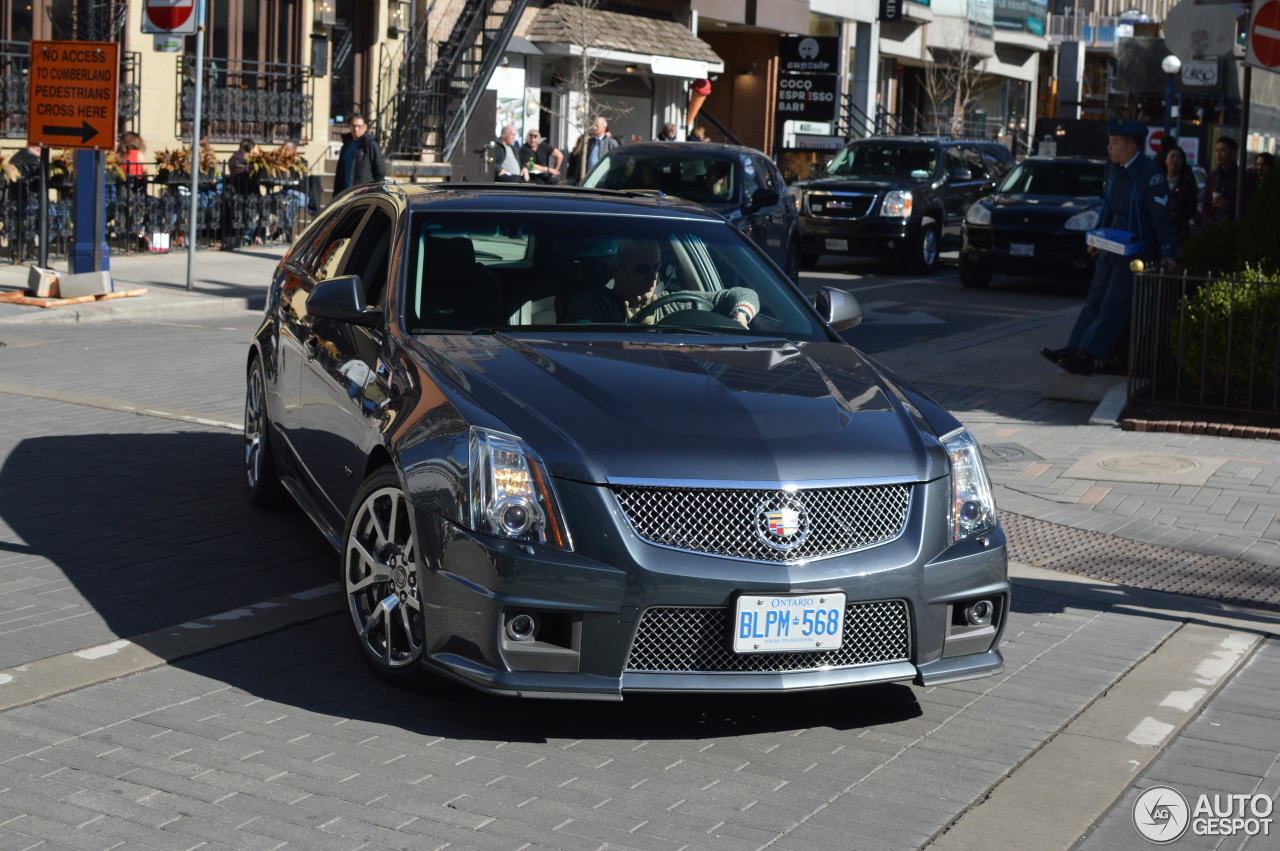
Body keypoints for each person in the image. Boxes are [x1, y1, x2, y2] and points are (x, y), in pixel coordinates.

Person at [1040, 119, 1178, 376]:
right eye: (1110, 142)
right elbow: (1108, 208)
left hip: (1136, 248)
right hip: (1111, 243)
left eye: (1115, 143)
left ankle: (1089, 355)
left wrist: (1168, 252)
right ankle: (1073, 348)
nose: (1109, 148)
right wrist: (1095, 239)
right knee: (1094, 300)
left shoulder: (1150, 174)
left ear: (1132, 146)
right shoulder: (1113, 170)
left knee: (1113, 304)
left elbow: (1160, 218)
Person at [564, 238, 759, 328]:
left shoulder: (675, 303)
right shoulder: (592, 305)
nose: (652, 277)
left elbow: (744, 294)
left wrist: (739, 317)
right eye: (642, 269)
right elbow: (580, 336)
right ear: (617, 270)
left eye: (656, 267)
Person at [1202, 137, 1256, 225]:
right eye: (1217, 150)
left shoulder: (1244, 176)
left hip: (1234, 224)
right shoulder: (1213, 175)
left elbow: (1249, 204)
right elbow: (1206, 202)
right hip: (1213, 224)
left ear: (1233, 153)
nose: (1219, 154)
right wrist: (1207, 218)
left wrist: (1228, 205)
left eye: (1223, 150)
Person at [333, 114, 386, 195]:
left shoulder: (371, 145)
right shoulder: (346, 145)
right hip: (345, 194)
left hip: (363, 196)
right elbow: (339, 173)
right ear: (349, 127)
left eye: (359, 126)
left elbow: (380, 173)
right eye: (353, 126)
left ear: (365, 127)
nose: (356, 129)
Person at [1160, 146, 1197, 246]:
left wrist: (1177, 215)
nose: (1175, 160)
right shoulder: (1158, 182)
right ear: (1165, 160)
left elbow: (1192, 208)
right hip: (1159, 230)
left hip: (1180, 232)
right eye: (1172, 156)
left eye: (1179, 157)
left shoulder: (1187, 183)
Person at [568, 116, 620, 183]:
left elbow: (616, 162)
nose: (594, 128)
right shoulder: (589, 142)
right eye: (593, 126)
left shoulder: (611, 143)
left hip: (604, 180)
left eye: (597, 126)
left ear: (604, 128)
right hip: (588, 179)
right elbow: (581, 161)